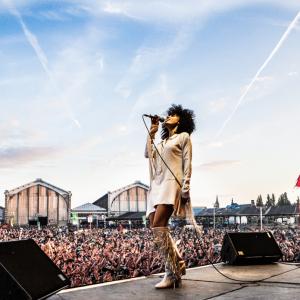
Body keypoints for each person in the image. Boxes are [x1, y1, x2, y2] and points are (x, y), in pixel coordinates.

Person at [145, 104, 195, 288]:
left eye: (172, 115)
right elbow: (147, 154)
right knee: (156, 227)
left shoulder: (183, 137)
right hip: (156, 185)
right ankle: (177, 262)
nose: (168, 116)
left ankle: (171, 272)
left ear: (180, 120)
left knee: (159, 226)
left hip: (170, 183)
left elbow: (188, 162)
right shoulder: (161, 143)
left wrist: (186, 186)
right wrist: (153, 130)